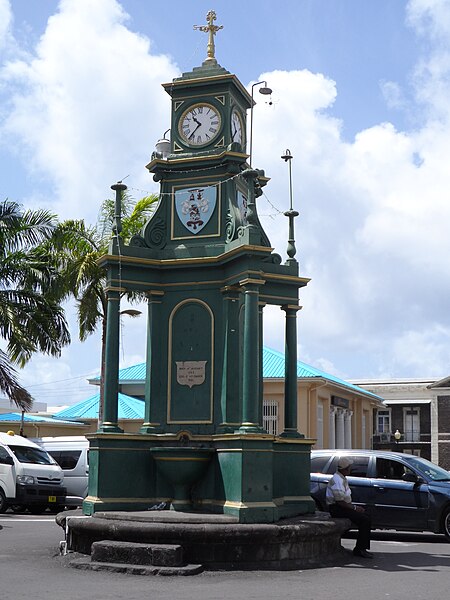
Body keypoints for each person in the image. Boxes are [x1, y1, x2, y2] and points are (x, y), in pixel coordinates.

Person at [326, 456, 373, 558]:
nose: (351, 469)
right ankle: (360, 549)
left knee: (366, 516)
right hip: (337, 508)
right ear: (345, 469)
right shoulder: (337, 480)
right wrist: (355, 508)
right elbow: (340, 501)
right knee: (364, 520)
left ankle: (362, 547)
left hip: (342, 507)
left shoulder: (342, 478)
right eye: (349, 467)